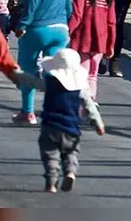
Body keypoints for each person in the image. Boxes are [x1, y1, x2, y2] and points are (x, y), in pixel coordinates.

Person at [12, 0, 72, 126]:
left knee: (28, 69)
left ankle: (28, 112)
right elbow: (67, 0)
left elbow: (33, 0)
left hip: (39, 27)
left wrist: (23, 24)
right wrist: (67, 21)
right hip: (60, 28)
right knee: (53, 72)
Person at [34, 49, 105, 194]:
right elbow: (90, 106)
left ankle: (51, 183)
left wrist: (17, 75)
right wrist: (98, 123)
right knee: (71, 153)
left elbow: (33, 82)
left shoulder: (50, 83)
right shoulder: (80, 88)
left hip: (50, 126)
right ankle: (70, 172)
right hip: (71, 128)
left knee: (50, 155)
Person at [67, 0, 116, 101]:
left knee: (82, 74)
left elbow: (77, 15)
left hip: (82, 39)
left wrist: (67, 33)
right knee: (93, 75)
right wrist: (111, 44)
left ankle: (85, 106)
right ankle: (92, 101)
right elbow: (111, 22)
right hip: (100, 40)